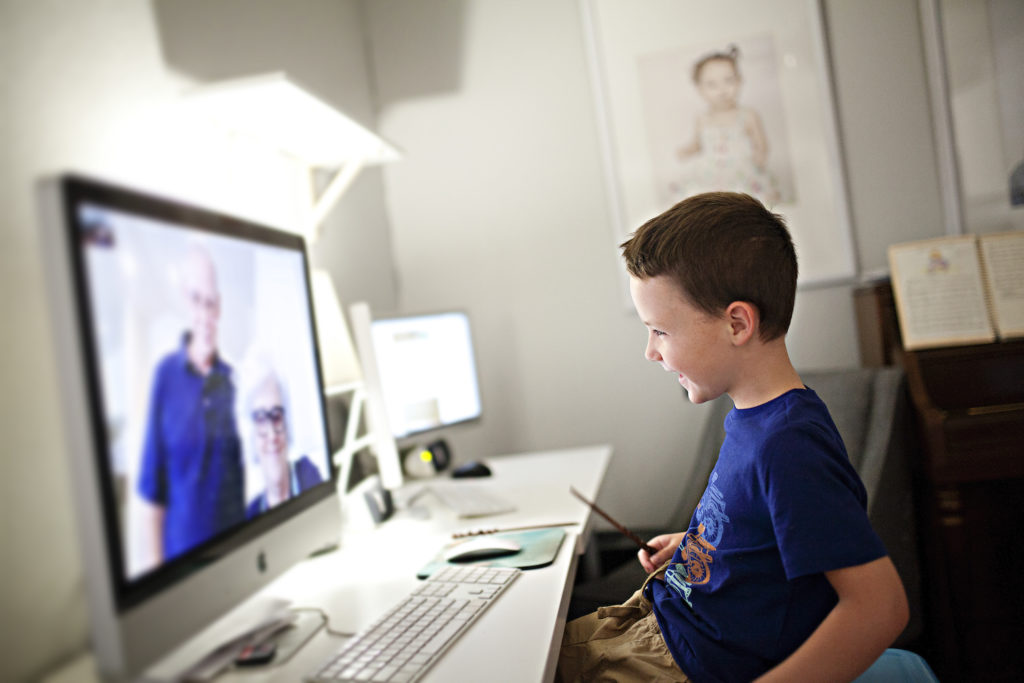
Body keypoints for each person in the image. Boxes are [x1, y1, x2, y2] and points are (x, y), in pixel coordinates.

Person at [558, 192, 908, 682]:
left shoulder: (789, 445)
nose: (651, 352)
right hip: (658, 622)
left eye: (660, 331)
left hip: (682, 662)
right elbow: (769, 534)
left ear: (737, 323)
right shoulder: (751, 418)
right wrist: (698, 544)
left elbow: (880, 608)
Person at [135, 246, 245, 567]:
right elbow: (152, 493)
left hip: (236, 564)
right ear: (185, 300)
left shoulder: (233, 382)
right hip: (183, 569)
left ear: (219, 307)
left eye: (211, 303)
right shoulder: (166, 376)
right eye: (197, 300)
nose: (205, 314)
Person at [673, 46, 781, 204]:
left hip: (741, 170)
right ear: (700, 89)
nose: (722, 89)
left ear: (740, 81)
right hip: (710, 172)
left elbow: (761, 144)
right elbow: (698, 144)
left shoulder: (748, 115)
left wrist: (760, 156)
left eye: (729, 80)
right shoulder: (702, 118)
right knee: (700, 200)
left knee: (747, 200)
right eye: (712, 84)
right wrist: (687, 150)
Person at [239, 358, 322, 518]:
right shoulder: (251, 513)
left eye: (276, 416)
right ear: (251, 435)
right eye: (261, 419)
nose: (271, 434)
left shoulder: (308, 474)